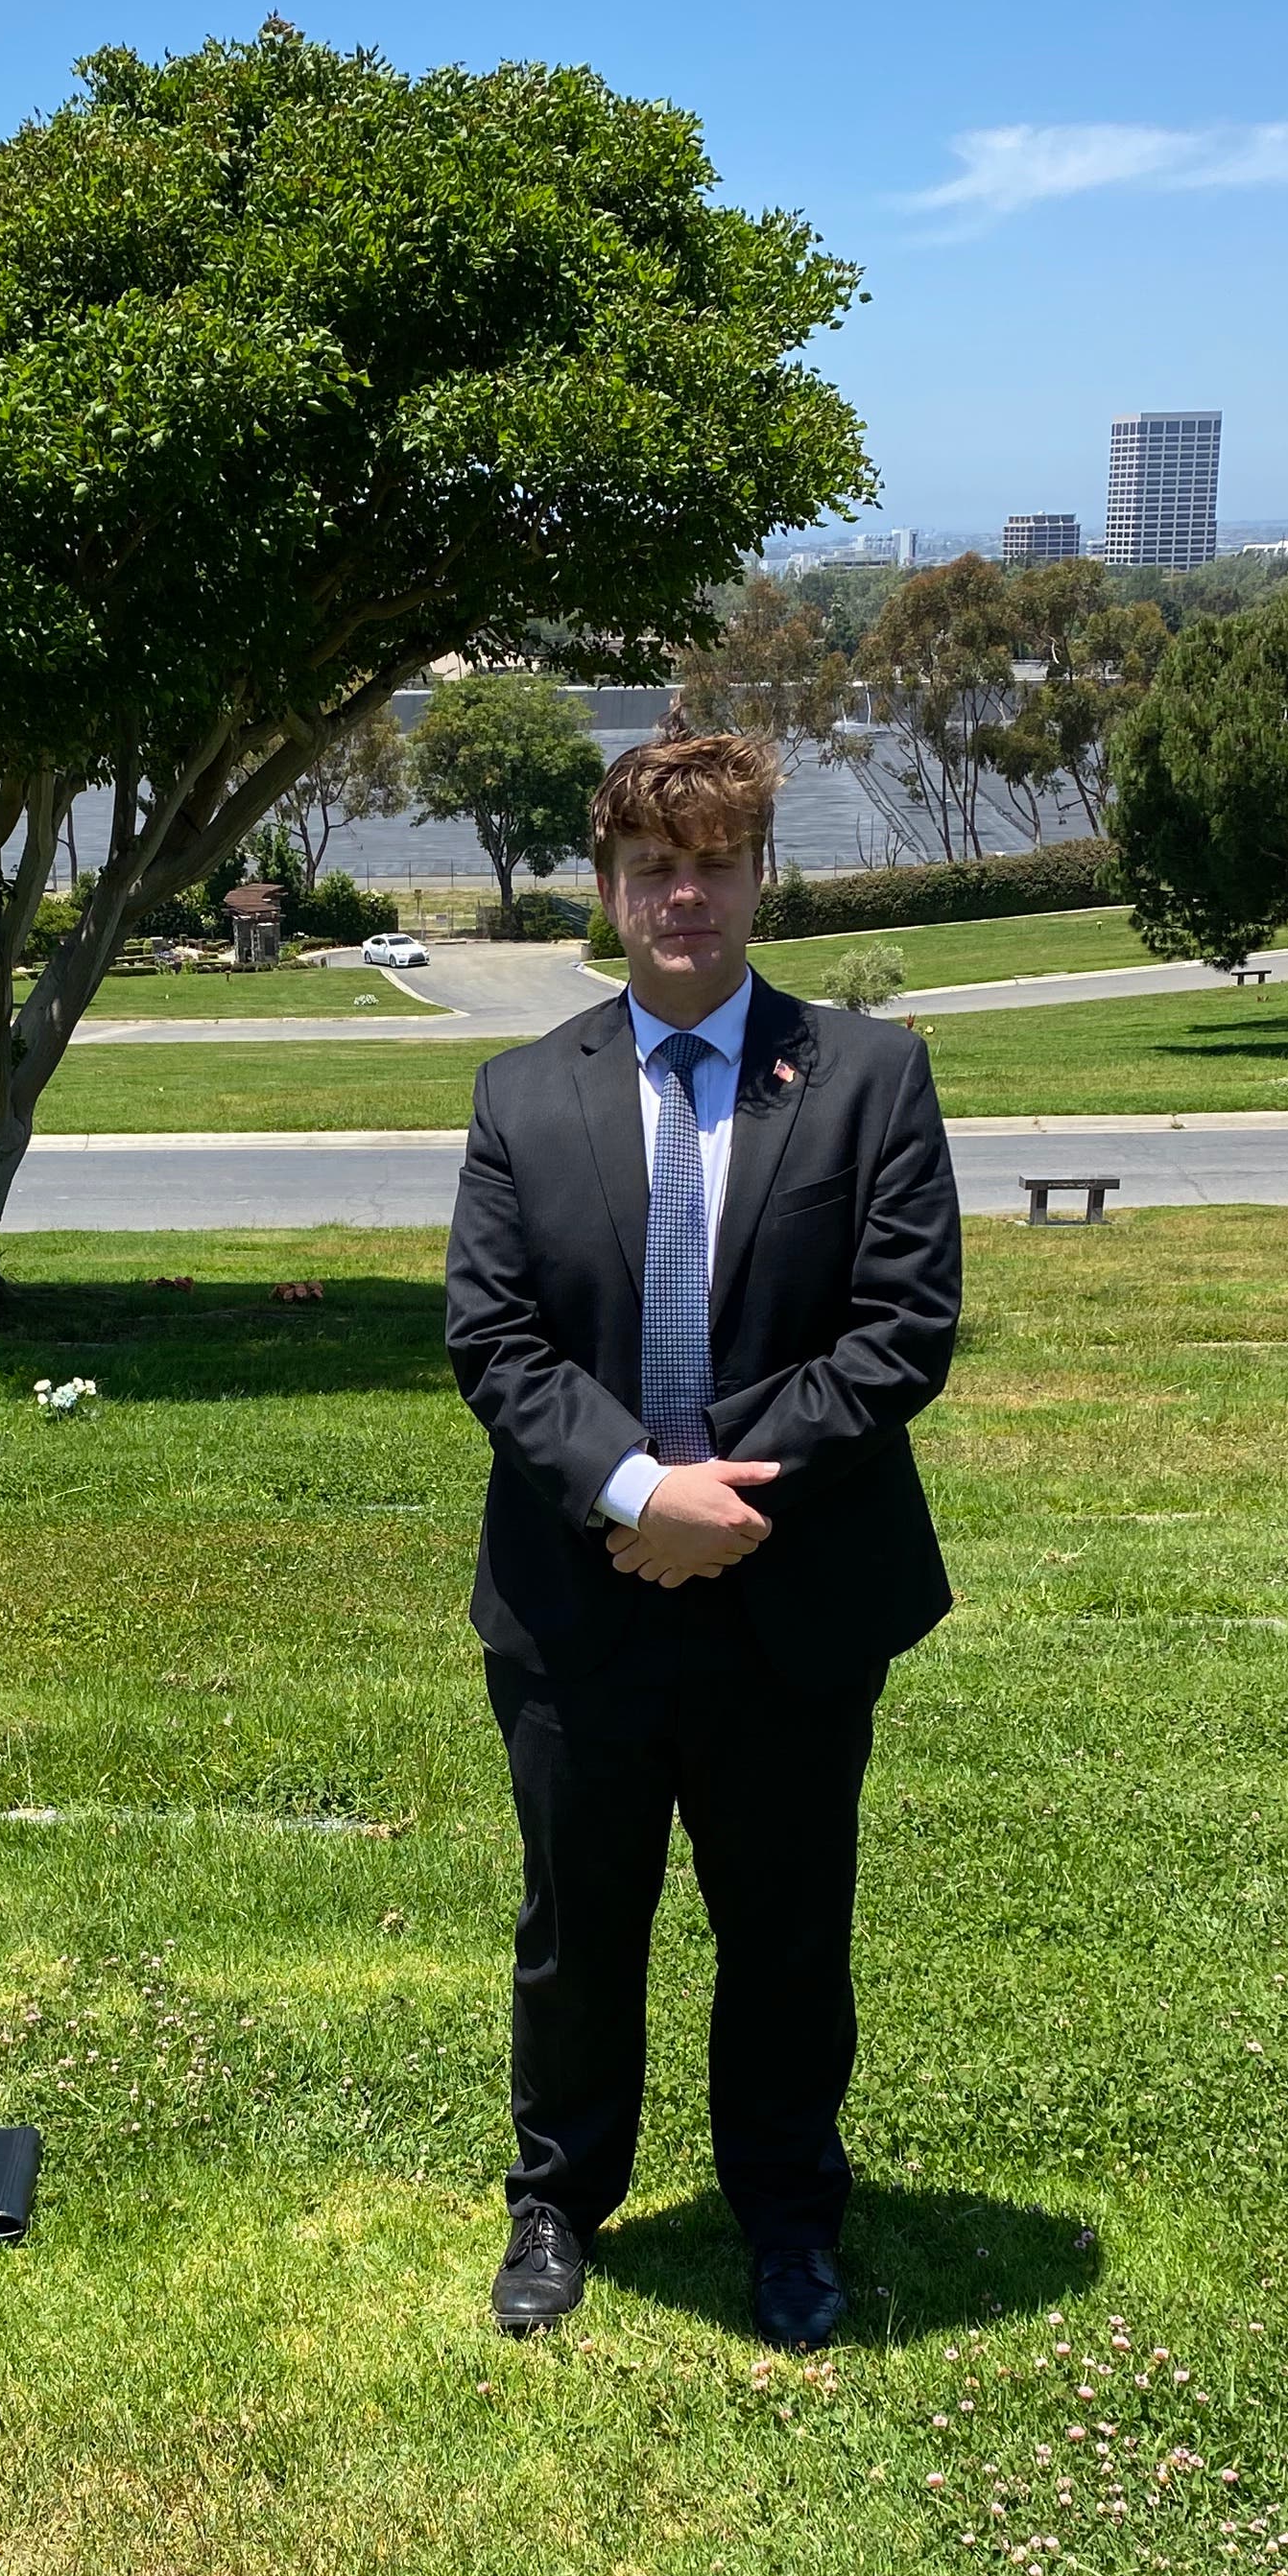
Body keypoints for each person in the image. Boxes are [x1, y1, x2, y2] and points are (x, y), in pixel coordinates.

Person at [443, 729, 961, 2350]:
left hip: (794, 1595)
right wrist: (634, 1493)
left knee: (790, 1934)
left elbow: (902, 1332)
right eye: (655, 869)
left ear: (758, 883)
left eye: (717, 864)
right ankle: (556, 2203)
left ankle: (791, 2215)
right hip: (576, 1600)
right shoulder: (525, 1093)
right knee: (576, 1929)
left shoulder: (869, 1076)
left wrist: (723, 1500)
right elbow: (496, 1340)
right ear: (607, 893)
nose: (687, 897)